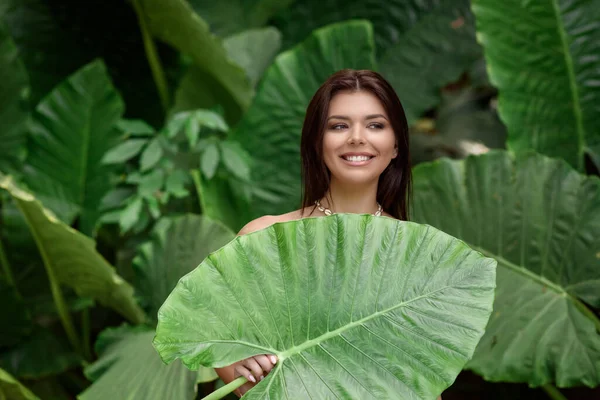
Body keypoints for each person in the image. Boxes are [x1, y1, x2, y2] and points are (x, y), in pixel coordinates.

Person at [215, 69, 424, 398]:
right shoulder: (265, 237)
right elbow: (217, 341)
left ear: (396, 145)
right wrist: (241, 364)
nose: (357, 137)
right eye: (339, 125)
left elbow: (426, 378)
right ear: (317, 142)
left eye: (375, 125)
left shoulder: (417, 252)